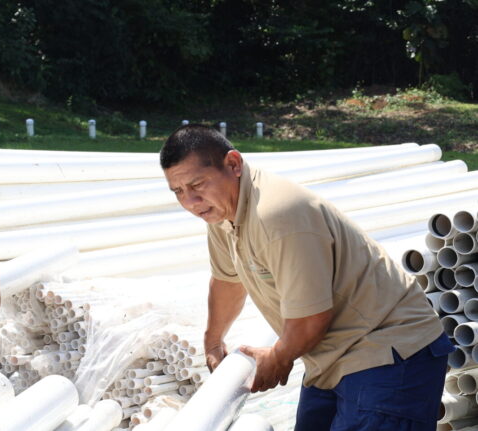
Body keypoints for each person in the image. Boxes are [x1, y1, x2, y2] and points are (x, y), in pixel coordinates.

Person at [160, 124, 451, 429]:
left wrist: (277, 358)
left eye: (198, 184)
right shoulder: (221, 212)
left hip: (388, 352)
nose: (190, 202)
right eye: (179, 191)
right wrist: (213, 341)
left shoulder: (277, 215)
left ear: (233, 164)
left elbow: (312, 319)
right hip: (331, 356)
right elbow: (228, 280)